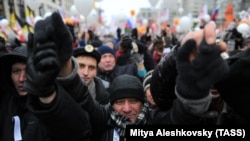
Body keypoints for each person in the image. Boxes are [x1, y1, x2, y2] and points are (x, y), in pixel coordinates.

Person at [0, 12, 92, 141]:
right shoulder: (5, 103)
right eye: (16, 71)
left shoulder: (51, 102)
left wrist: (47, 94)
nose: (21, 79)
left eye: (28, 71)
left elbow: (79, 130)